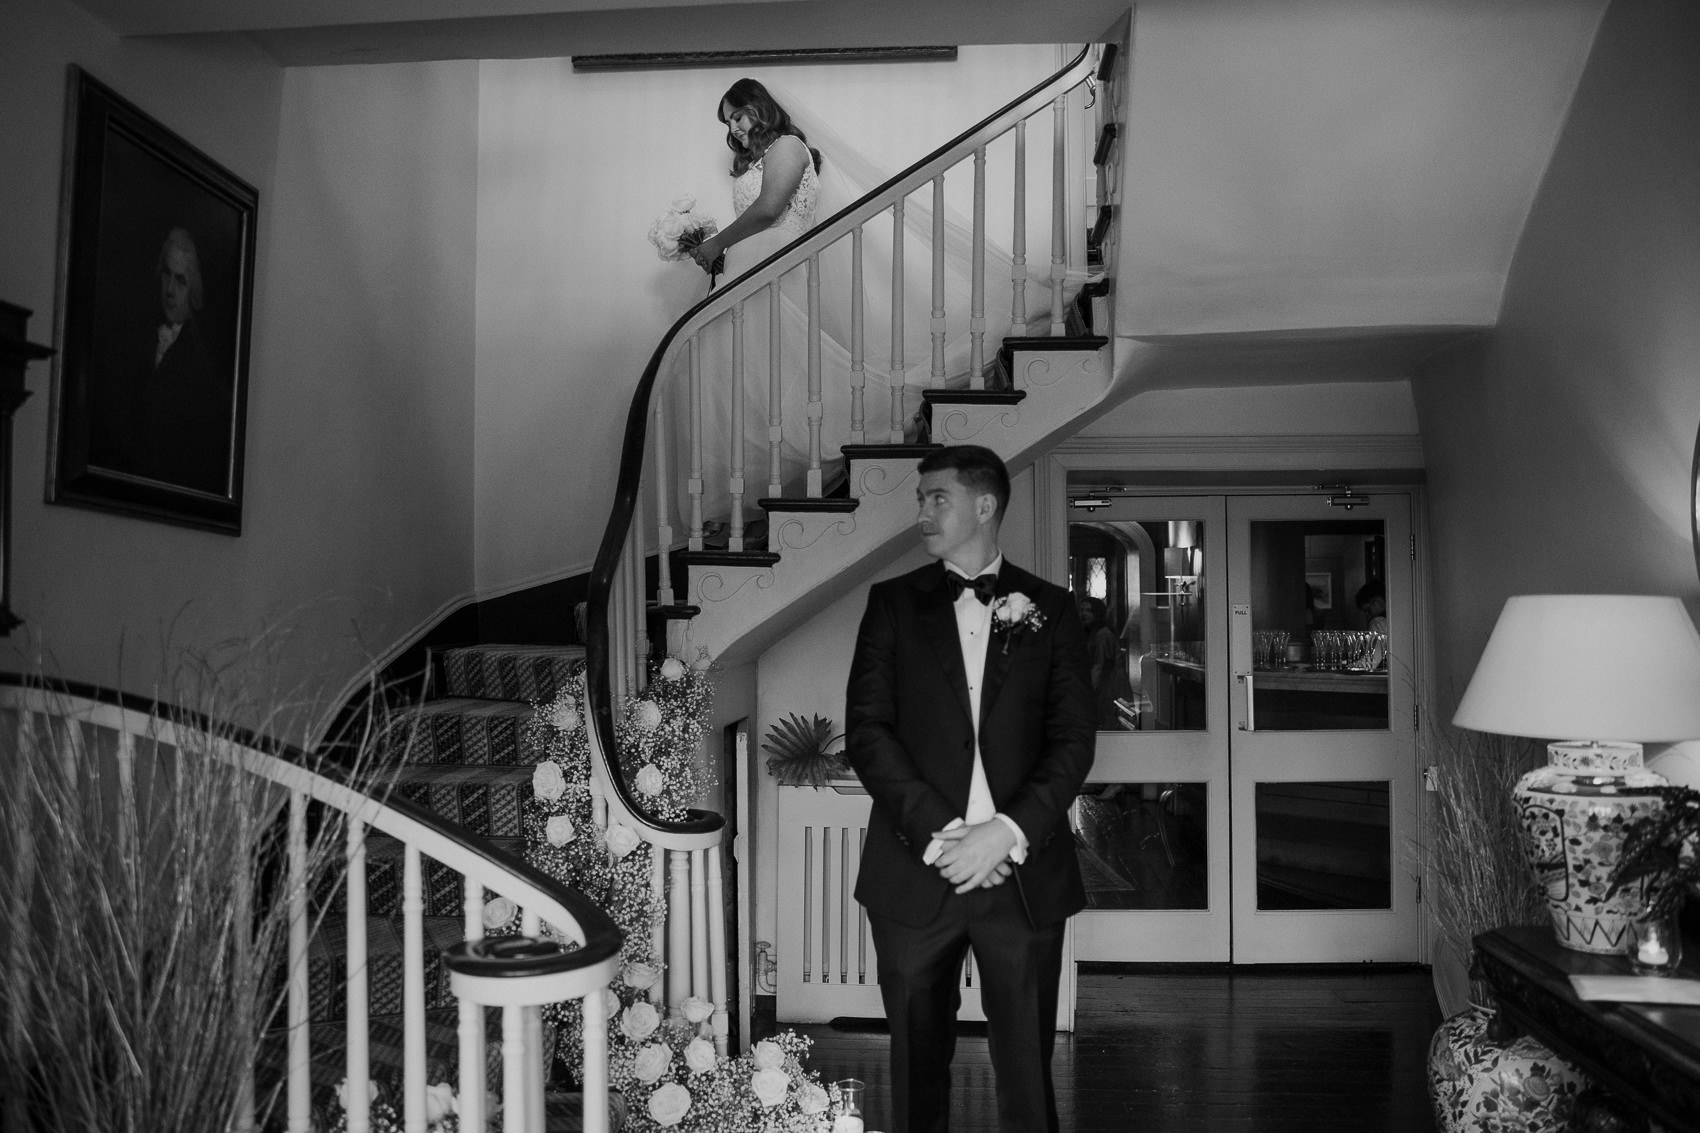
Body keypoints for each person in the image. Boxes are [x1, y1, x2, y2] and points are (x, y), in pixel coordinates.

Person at [668, 79, 1057, 533]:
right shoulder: (759, 158)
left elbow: (771, 208)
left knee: (792, 371)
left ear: (758, 106)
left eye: (736, 115)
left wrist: (717, 242)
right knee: (761, 379)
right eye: (727, 123)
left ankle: (850, 440)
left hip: (778, 265)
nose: (733, 128)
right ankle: (762, 498)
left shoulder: (788, 147)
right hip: (753, 267)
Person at [845, 444, 1096, 1133]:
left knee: (1027, 1074)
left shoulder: (1052, 609)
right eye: (920, 499)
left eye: (938, 498)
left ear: (984, 506)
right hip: (915, 869)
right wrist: (945, 834)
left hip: (1022, 875)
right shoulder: (892, 604)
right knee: (913, 1069)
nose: (922, 513)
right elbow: (867, 731)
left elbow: (1073, 740)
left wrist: (1005, 831)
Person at [88, 226, 231, 493]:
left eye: (181, 281)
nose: (170, 290)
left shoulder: (201, 364)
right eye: (167, 275)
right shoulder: (134, 334)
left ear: (193, 289)